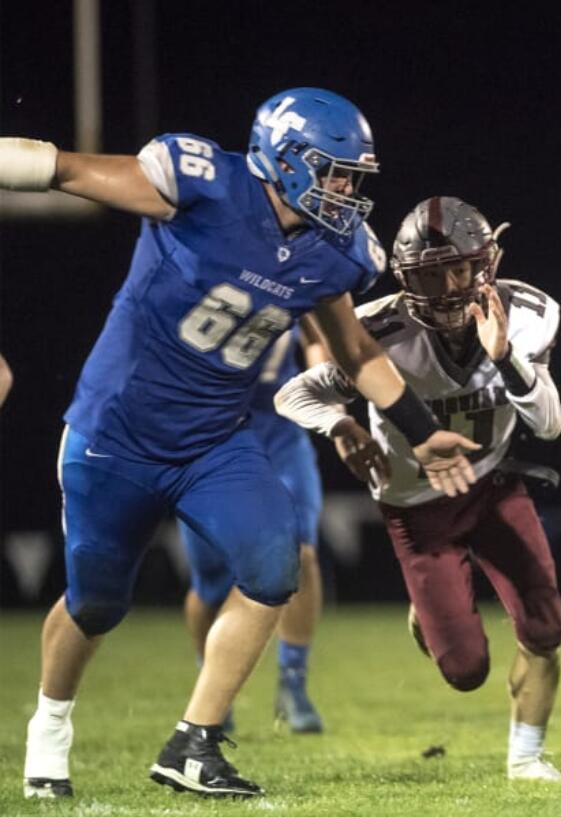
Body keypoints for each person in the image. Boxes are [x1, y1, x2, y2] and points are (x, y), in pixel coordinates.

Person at [3, 87, 480, 799]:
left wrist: (422, 430)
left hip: (213, 442)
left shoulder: (335, 249)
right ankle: (51, 727)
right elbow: (63, 169)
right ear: (284, 161)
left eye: (354, 177)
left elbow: (353, 350)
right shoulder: (203, 184)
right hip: (116, 432)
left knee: (273, 563)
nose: (348, 192)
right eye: (335, 172)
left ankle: (193, 742)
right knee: (97, 601)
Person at [275, 196, 561, 782]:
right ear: (406, 277)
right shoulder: (378, 329)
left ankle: (527, 758)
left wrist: (506, 357)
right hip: (415, 507)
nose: (449, 285)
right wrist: (340, 423)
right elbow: (292, 394)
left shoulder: (527, 311)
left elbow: (549, 424)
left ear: (488, 262)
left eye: (461, 267)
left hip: (493, 483)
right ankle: (429, 610)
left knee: (545, 627)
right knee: (464, 670)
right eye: (431, 274)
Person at [179, 322, 330, 735]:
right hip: (210, 439)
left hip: (279, 432)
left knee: (302, 552)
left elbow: (320, 335)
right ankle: (211, 684)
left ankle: (293, 682)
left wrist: (322, 388)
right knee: (211, 583)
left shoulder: (295, 273)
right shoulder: (198, 275)